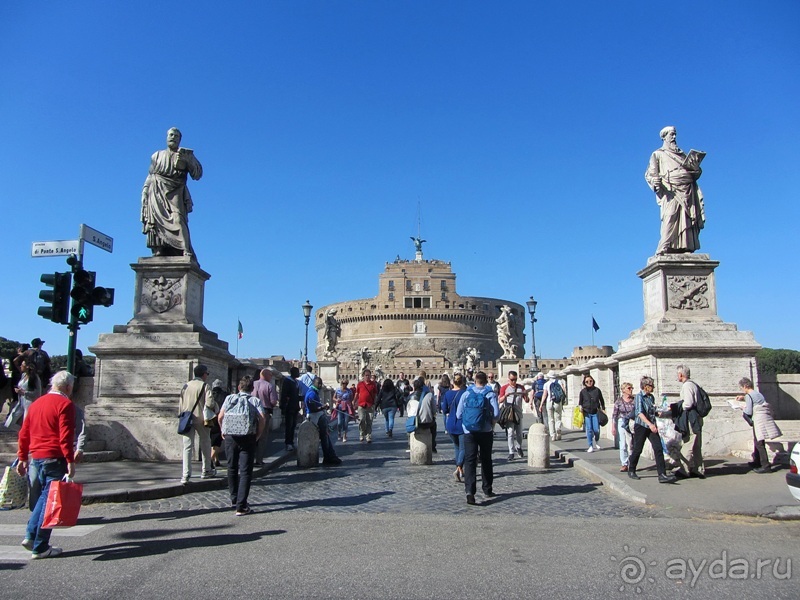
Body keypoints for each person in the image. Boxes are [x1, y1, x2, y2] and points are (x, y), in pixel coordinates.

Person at [16, 370, 77, 558]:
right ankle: (40, 545)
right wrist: (70, 460)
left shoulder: (36, 404)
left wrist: (23, 457)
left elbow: (24, 433)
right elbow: (65, 436)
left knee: (44, 497)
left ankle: (31, 535)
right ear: (67, 387)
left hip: (37, 456)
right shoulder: (65, 404)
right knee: (51, 501)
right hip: (54, 456)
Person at [141, 127, 203, 258]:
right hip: (156, 190)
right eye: (171, 135)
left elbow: (197, 174)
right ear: (166, 137)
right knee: (156, 222)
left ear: (180, 139)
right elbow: (150, 174)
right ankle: (159, 249)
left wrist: (188, 161)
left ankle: (185, 249)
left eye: (176, 136)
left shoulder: (185, 154)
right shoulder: (156, 155)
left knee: (178, 219)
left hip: (176, 191)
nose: (173, 137)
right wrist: (145, 191)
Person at [645, 126, 705, 255]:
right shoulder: (658, 154)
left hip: (687, 189)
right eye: (671, 134)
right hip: (670, 189)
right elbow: (650, 174)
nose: (674, 137)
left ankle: (685, 246)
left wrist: (695, 169)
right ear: (664, 136)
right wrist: (655, 183)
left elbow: (695, 172)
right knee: (670, 216)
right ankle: (664, 246)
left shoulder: (683, 155)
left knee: (687, 217)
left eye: (675, 134)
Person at [218, 376, 265, 515]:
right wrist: (258, 434)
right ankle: (241, 505)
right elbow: (262, 418)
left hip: (230, 437)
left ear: (239, 388)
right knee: (245, 472)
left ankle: (233, 499)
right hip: (248, 437)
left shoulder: (229, 399)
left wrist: (223, 430)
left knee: (231, 468)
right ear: (252, 389)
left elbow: (220, 416)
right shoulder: (255, 400)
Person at [456, 371, 500, 505]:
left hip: (469, 432)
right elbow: (497, 414)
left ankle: (470, 492)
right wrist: (490, 422)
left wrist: (468, 422)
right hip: (486, 431)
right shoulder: (490, 394)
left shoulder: (466, 393)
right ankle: (487, 489)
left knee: (470, 460)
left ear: (474, 380)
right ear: (486, 381)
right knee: (486, 459)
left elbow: (458, 415)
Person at [627, 376, 676, 483]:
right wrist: (650, 424)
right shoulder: (639, 397)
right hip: (641, 426)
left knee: (658, 448)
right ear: (645, 387)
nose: (653, 387)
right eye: (651, 385)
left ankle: (662, 474)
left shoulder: (651, 397)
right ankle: (631, 469)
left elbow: (652, 411)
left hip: (651, 426)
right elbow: (639, 413)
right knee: (638, 449)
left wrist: (663, 413)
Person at [736, 376, 782, 473]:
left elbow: (748, 411)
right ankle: (757, 461)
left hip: (758, 420)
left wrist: (741, 408)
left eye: (742, 388)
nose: (742, 389)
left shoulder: (749, 396)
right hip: (764, 418)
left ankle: (765, 465)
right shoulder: (758, 394)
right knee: (758, 440)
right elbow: (756, 400)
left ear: (745, 386)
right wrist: (743, 398)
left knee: (759, 443)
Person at [178, 364, 215, 484]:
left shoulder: (186, 385)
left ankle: (185, 475)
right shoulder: (205, 386)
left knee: (187, 447)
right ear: (204, 374)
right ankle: (206, 470)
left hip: (187, 418)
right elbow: (210, 403)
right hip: (201, 418)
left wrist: (182, 416)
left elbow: (181, 403)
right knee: (205, 443)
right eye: (207, 374)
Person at [669, 365, 705, 479]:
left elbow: (688, 403)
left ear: (680, 374)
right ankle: (697, 469)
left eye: (677, 374)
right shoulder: (694, 384)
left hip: (691, 418)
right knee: (696, 445)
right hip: (696, 417)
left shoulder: (687, 386)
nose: (677, 376)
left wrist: (679, 406)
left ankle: (684, 469)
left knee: (688, 443)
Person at [304, 377, 341, 465]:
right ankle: (328, 457)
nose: (320, 385)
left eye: (321, 383)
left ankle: (330, 456)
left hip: (318, 416)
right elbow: (312, 408)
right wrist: (323, 407)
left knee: (326, 437)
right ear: (314, 383)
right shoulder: (312, 394)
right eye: (318, 383)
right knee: (324, 438)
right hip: (316, 418)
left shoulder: (314, 392)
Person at [441, 373, 467, 482]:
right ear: (462, 382)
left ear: (453, 382)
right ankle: (459, 467)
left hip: (450, 424)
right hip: (462, 424)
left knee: (457, 447)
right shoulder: (465, 393)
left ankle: (459, 469)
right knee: (464, 448)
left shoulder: (447, 394)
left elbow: (444, 409)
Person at [252, 368, 278, 463]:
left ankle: (249, 458)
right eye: (270, 375)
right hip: (264, 412)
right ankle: (259, 460)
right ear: (266, 375)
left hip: (251, 412)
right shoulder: (269, 386)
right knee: (262, 437)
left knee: (251, 435)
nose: (271, 377)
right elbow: (274, 402)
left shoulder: (253, 384)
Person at [498, 371, 525, 461]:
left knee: (519, 433)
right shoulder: (504, 388)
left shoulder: (521, 387)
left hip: (518, 413)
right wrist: (505, 396)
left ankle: (519, 447)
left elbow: (527, 400)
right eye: (512, 379)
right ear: (508, 379)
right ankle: (511, 452)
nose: (514, 381)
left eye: (515, 379)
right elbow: (500, 400)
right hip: (509, 413)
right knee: (510, 433)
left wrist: (526, 395)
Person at [611, 382, 636, 472]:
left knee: (632, 443)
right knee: (623, 443)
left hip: (633, 422)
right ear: (623, 390)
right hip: (622, 422)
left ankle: (632, 463)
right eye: (629, 388)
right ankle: (624, 463)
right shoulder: (619, 401)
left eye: (631, 388)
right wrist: (613, 427)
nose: (631, 390)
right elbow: (614, 415)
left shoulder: (635, 400)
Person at [578, 375, 606, 452]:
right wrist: (580, 407)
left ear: (593, 381)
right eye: (587, 382)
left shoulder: (597, 390)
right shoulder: (583, 392)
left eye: (591, 381)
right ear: (584, 383)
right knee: (589, 429)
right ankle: (590, 445)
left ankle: (596, 440)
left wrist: (603, 409)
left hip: (595, 412)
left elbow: (602, 400)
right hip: (587, 412)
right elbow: (580, 402)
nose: (589, 383)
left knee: (596, 429)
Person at [279, 366, 302, 451]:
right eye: (297, 372)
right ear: (293, 373)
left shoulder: (295, 382)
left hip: (295, 406)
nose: (299, 373)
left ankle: (291, 442)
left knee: (293, 426)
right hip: (289, 407)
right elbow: (284, 394)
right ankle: (288, 443)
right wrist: (283, 406)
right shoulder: (287, 381)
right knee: (289, 426)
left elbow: (294, 395)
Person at [539, 371, 565, 441]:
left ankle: (553, 435)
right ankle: (558, 428)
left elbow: (544, 395)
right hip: (557, 402)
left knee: (550, 419)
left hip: (549, 402)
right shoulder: (560, 382)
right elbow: (563, 392)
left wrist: (541, 404)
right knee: (558, 417)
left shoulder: (546, 384)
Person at [355, 369, 378, 443]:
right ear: (363, 376)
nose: (368, 377)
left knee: (369, 421)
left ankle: (368, 435)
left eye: (369, 375)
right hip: (361, 405)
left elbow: (375, 394)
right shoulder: (360, 384)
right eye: (366, 375)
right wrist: (354, 401)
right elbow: (357, 393)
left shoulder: (373, 384)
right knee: (361, 420)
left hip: (370, 405)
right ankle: (361, 433)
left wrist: (375, 404)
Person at [208, 379, 226, 467]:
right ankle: (210, 459)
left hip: (210, 418)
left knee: (212, 439)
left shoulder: (209, 394)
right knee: (218, 440)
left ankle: (216, 460)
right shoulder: (225, 395)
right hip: (221, 419)